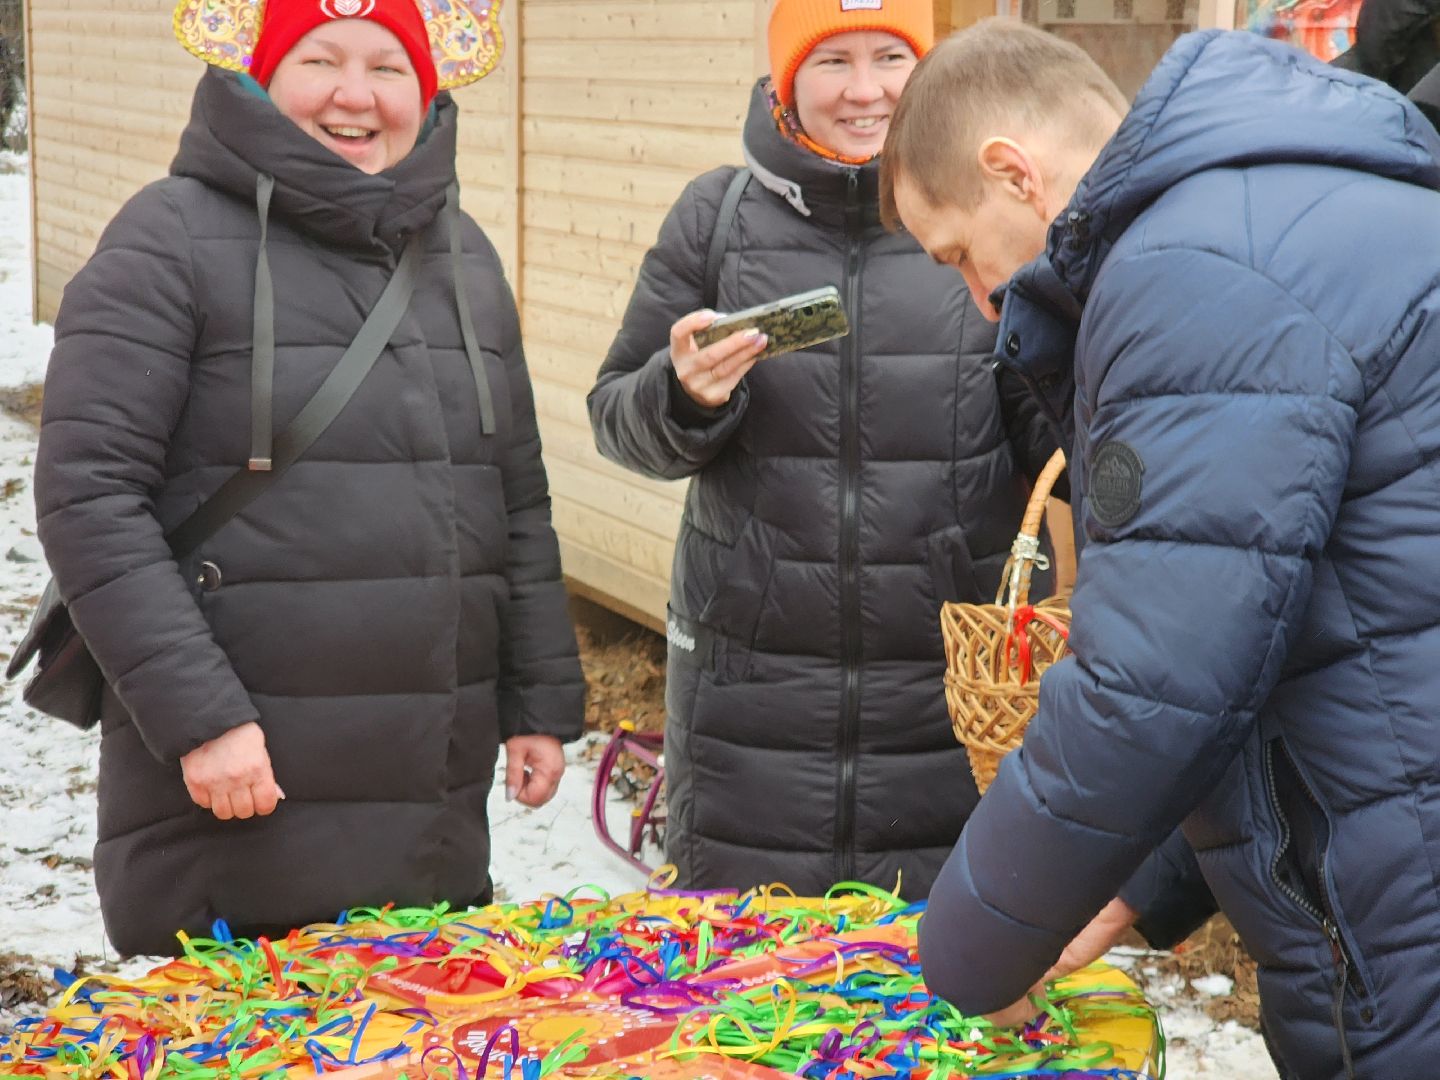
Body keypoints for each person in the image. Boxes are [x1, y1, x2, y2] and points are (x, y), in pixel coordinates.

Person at [881, 19, 1440, 1078]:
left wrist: (960, 956)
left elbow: (1153, 684)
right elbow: (1310, 622)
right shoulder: (1281, 203)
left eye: (958, 252)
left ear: (1014, 172)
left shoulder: (1188, 269)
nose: (978, 295)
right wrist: (1148, 876)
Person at [32, 0, 584, 956]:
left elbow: (515, 495)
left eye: (388, 67)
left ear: (427, 89)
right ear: (260, 73)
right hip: (238, 796)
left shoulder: (464, 253)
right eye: (319, 59)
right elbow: (89, 497)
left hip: (427, 813)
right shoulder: (165, 241)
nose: (354, 95)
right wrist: (201, 721)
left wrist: (538, 699)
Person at [587, 0, 1061, 899]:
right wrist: (681, 395)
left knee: (937, 1000)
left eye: (891, 56)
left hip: (951, 696)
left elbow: (1054, 443)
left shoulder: (990, 212)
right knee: (746, 998)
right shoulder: (716, 218)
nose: (865, 89)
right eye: (831, 60)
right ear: (784, 80)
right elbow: (617, 417)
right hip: (751, 705)